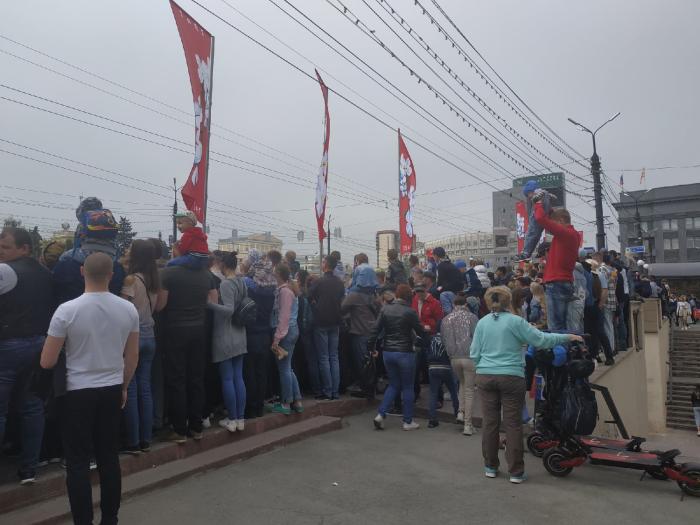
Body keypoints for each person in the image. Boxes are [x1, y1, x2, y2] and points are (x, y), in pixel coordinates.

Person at [40, 253, 139, 525]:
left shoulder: (67, 310)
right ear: (111, 275)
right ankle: (110, 518)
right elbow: (132, 357)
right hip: (111, 388)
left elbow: (47, 361)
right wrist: (124, 386)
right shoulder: (128, 309)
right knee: (109, 457)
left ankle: (82, 520)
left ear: (83, 271)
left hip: (76, 392)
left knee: (77, 462)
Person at [470, 286, 581, 484]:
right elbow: (541, 340)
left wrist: (482, 369)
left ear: (488, 302)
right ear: (508, 301)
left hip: (486, 376)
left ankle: (490, 466)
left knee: (490, 423)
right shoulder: (515, 321)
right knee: (512, 424)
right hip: (511, 376)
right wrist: (567, 337)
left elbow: (474, 353)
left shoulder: (482, 323)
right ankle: (516, 471)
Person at [0, 227, 53, 484]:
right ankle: (29, 469)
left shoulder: (5, 271)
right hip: (40, 345)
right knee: (33, 407)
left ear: (24, 249)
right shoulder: (46, 273)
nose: (0, 251)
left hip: (9, 346)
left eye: (6, 246)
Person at [159, 240, 218, 443]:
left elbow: (161, 305)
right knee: (196, 378)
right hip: (199, 329)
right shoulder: (205, 274)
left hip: (175, 330)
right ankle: (196, 426)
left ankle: (179, 429)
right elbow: (213, 301)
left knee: (177, 379)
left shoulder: (168, 273)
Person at [120, 240, 162, 453]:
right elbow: (160, 306)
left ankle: (133, 441)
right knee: (145, 387)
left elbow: (122, 307)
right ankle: (147, 439)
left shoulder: (130, 279)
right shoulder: (155, 279)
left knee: (130, 387)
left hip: (132, 337)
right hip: (150, 335)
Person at [371, 284, 427, 431]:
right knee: (407, 386)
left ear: (396, 294)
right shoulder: (410, 312)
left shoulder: (385, 309)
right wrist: (427, 336)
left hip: (388, 352)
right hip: (405, 352)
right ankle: (408, 421)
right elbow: (420, 330)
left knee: (394, 384)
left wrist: (370, 348)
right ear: (409, 296)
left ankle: (381, 414)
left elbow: (375, 330)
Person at [206, 251, 247, 432]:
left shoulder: (226, 284)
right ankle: (240, 418)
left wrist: (208, 304)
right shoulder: (242, 282)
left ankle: (232, 418)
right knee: (238, 377)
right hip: (240, 333)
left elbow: (229, 309)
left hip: (225, 335)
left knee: (228, 378)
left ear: (223, 265)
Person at [534, 199, 580, 332]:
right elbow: (550, 218)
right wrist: (549, 209)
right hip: (564, 282)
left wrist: (537, 203)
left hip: (556, 284)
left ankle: (561, 352)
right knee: (563, 324)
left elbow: (540, 219)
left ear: (560, 222)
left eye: (555, 224)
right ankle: (565, 350)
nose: (552, 229)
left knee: (555, 327)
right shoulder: (574, 234)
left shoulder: (564, 233)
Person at [242, 249, 277, 418]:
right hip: (266, 334)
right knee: (262, 372)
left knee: (249, 372)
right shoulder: (272, 289)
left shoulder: (249, 287)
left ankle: (251, 407)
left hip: (250, 333)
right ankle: (259, 407)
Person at [440, 295, 478, 435]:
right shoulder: (472, 317)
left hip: (453, 357)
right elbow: (477, 336)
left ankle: (461, 412)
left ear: (453, 303)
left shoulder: (446, 319)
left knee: (462, 384)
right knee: (469, 390)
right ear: (466, 304)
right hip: (470, 357)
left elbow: (443, 339)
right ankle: (468, 424)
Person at [341, 264, 380, 399]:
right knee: (370, 361)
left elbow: (342, 309)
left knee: (362, 361)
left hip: (359, 332)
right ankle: (371, 387)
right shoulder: (374, 294)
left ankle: (366, 389)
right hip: (372, 331)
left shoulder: (355, 295)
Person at [309, 255, 345, 400]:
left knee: (324, 357)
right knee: (334, 357)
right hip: (336, 321)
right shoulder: (339, 282)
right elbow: (342, 298)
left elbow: (308, 295)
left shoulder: (319, 281)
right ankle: (335, 392)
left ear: (326, 265)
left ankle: (328, 391)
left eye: (323, 262)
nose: (321, 263)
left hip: (321, 322)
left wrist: (315, 304)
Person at [269, 264, 303, 414]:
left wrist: (276, 339)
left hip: (286, 332)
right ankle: (297, 401)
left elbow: (283, 317)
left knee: (284, 369)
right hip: (293, 330)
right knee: (288, 368)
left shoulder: (284, 292)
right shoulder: (291, 290)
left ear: (278, 275)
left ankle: (286, 403)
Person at [514, 179, 553, 261]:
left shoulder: (537, 196)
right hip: (545, 216)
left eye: (528, 194)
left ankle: (526, 253)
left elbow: (537, 217)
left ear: (531, 191)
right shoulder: (544, 195)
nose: (528, 197)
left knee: (532, 232)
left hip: (539, 216)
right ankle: (526, 252)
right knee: (533, 232)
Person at [433, 247, 463, 314]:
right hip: (458, 291)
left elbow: (439, 284)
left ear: (436, 256)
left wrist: (435, 291)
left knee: (432, 293)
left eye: (433, 256)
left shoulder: (440, 266)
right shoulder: (451, 264)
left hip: (448, 292)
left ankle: (447, 317)